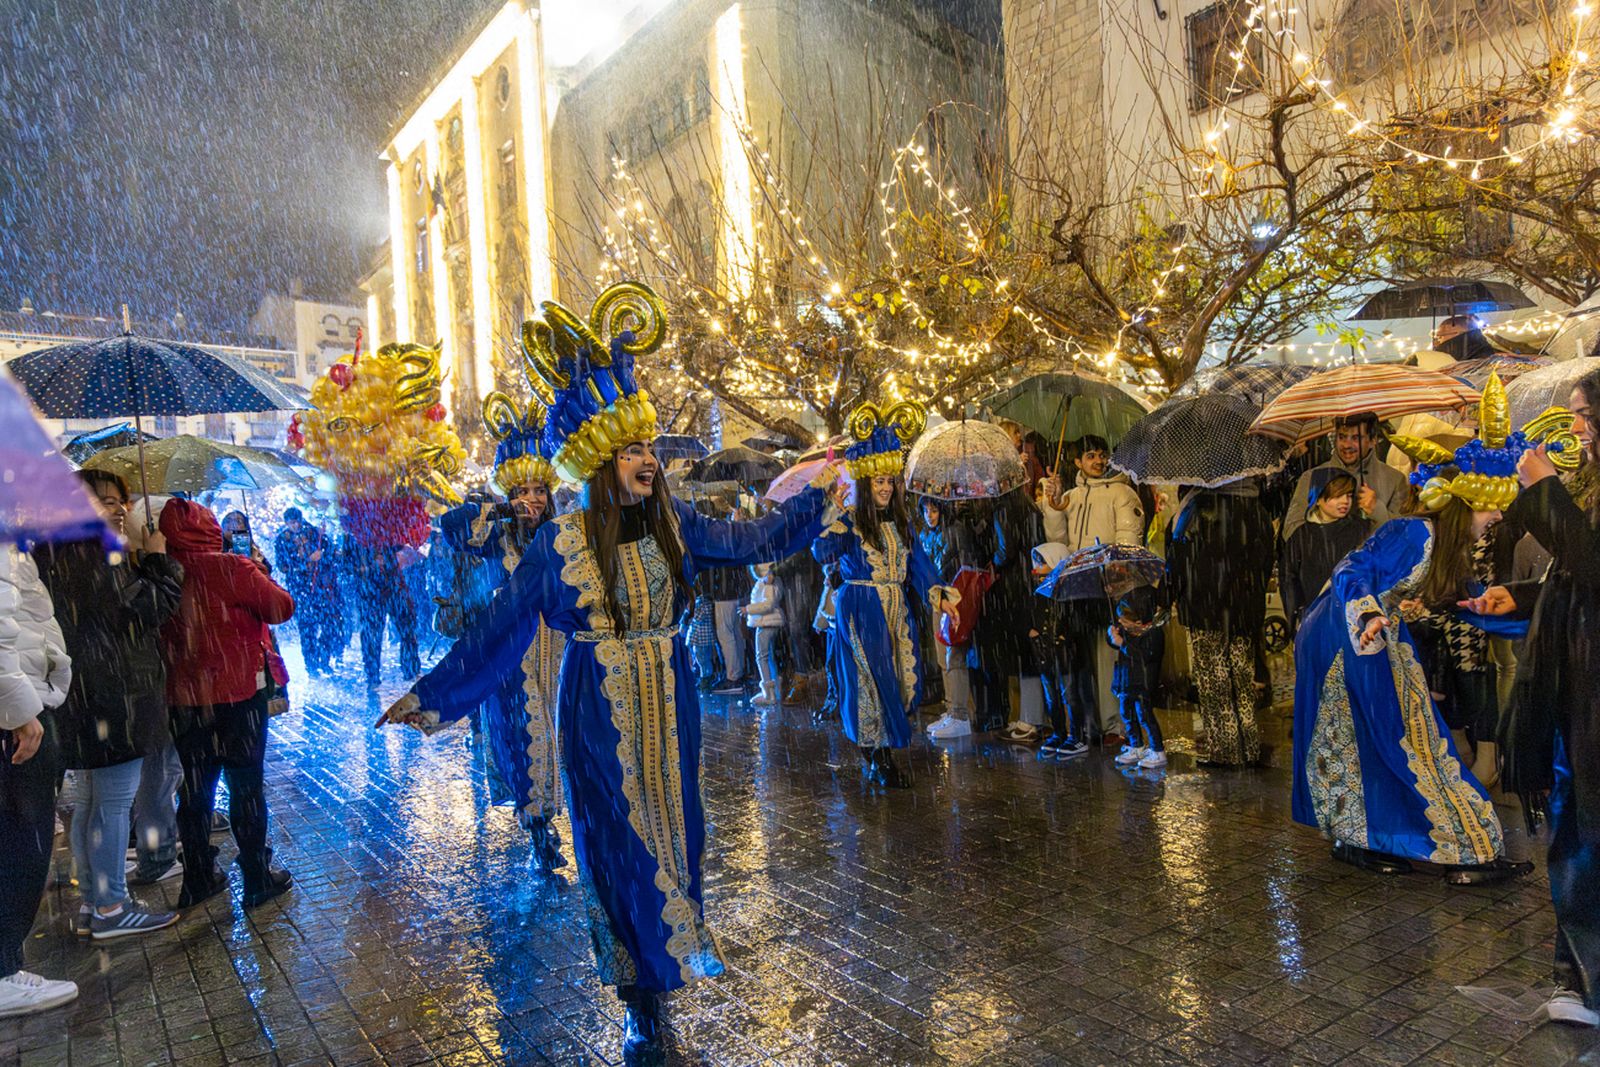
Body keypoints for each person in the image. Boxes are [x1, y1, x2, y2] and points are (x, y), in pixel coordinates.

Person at [381, 283, 839, 1058]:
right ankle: (639, 999)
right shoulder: (558, 545)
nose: (648, 463)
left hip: (671, 700)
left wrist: (815, 503)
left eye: (649, 450)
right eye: (632, 451)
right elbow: (498, 629)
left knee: (675, 840)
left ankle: (662, 981)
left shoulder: (675, 526)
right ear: (598, 461)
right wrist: (432, 694)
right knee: (618, 847)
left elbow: (755, 539)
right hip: (595, 708)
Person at [1291, 374, 1533, 886]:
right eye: (1489, 507)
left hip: (1375, 635)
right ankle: (1387, 841)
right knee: (1380, 739)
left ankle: (1449, 844)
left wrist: (1500, 608)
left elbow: (1465, 601)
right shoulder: (1413, 532)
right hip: (1344, 634)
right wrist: (1371, 615)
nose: (1495, 517)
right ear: (1467, 505)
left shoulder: (1447, 547)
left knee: (1401, 737)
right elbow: (1350, 573)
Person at [1466, 369, 1600, 1026]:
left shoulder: (1576, 494)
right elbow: (1575, 577)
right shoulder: (1590, 490)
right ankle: (1577, 977)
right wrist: (1515, 596)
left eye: (1583, 415)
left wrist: (1545, 491)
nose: (1575, 428)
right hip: (1581, 695)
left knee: (1590, 837)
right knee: (1576, 834)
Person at [33, 471, 183, 938]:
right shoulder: (98, 549)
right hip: (116, 694)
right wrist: (158, 562)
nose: (116, 509)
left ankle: (93, 902)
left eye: (119, 500)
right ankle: (111, 908)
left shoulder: (52, 548)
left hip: (83, 692)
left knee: (94, 803)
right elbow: (147, 609)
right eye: (101, 501)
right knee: (113, 804)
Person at [431, 393, 569, 870]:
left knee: (559, 739)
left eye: (539, 490)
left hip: (559, 659)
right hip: (511, 663)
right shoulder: (495, 535)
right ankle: (539, 827)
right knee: (523, 740)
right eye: (522, 490)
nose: (533, 499)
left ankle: (551, 817)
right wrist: (504, 514)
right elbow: (450, 526)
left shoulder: (560, 535)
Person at [159, 497, 296, 910]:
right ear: (212, 531)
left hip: (185, 701)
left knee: (195, 794)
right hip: (238, 696)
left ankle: (198, 876)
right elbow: (281, 607)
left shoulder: (159, 572)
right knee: (246, 787)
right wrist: (254, 569)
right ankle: (256, 877)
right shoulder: (232, 567)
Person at [815, 400, 959, 787]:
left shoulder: (902, 523)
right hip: (860, 609)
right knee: (870, 679)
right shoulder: (849, 522)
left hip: (895, 609)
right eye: (877, 481)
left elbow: (921, 566)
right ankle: (877, 756)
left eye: (889, 481)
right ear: (865, 483)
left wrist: (942, 596)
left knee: (894, 679)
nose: (884, 487)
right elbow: (821, 552)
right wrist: (831, 513)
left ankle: (882, 753)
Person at [0, 541, 76, 1016]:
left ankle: (6, 963)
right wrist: (20, 710)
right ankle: (3, 971)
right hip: (17, 713)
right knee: (21, 846)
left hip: (22, 700)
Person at [1039, 435, 1145, 742]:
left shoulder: (1121, 493)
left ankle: (1116, 725)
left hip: (1110, 585)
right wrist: (1055, 504)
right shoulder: (1072, 495)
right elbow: (1059, 538)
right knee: (1081, 659)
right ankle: (1089, 724)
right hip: (1078, 584)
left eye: (1101, 455)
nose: (1098, 461)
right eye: (1090, 456)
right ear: (1077, 462)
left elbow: (1129, 537)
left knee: (1108, 655)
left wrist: (1118, 571)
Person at [1165, 483, 1274, 765]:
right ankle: (1247, 746)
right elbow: (1265, 560)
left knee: (1213, 682)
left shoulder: (1195, 510)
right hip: (1243, 610)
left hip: (1205, 609)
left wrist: (1167, 597)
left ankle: (1224, 750)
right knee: (1241, 679)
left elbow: (1178, 562)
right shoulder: (1255, 507)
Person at [1280, 414, 1410, 541]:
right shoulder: (1311, 477)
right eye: (1342, 437)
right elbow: (1291, 530)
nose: (1347, 445)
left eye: (1355, 438)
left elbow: (1404, 536)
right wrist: (1325, 523)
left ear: (1373, 440)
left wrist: (1376, 510)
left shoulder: (1395, 480)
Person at [1278, 470, 1375, 634]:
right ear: (1317, 499)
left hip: (1354, 618)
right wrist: (1297, 615)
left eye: (1349, 495)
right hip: (1314, 618)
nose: (1345, 501)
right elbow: (1289, 579)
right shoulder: (1301, 535)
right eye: (1337, 496)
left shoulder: (1361, 529)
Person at [920, 498, 977, 741]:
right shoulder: (926, 535)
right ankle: (952, 707)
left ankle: (961, 713)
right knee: (943, 657)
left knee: (955, 657)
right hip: (937, 600)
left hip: (954, 598)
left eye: (933, 510)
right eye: (925, 511)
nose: (929, 515)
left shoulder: (956, 531)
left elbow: (964, 566)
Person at [1029, 543, 1087, 759]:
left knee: (1069, 694)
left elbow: (1076, 623)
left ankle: (1077, 735)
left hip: (1065, 653)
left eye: (1042, 562)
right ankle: (1059, 732)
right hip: (1045, 653)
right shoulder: (1039, 592)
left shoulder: (1068, 593)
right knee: (1052, 695)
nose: (1037, 568)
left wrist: (1063, 636)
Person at [273, 507, 341, 676]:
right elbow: (284, 567)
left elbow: (331, 555)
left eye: (296, 522)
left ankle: (324, 660)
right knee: (307, 629)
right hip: (300, 590)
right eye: (291, 523)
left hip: (321, 589)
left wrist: (323, 556)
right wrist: (306, 561)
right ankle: (311, 665)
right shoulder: (282, 540)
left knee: (328, 625)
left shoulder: (315, 534)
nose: (294, 526)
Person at [1108, 586, 1168, 769]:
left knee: (1145, 716)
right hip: (1126, 682)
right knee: (1128, 715)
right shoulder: (1128, 630)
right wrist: (1113, 635)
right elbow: (1115, 643)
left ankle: (1158, 750)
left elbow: (1143, 656)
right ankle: (1136, 745)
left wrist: (1123, 643)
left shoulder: (1153, 634)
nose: (1121, 622)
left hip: (1142, 684)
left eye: (1125, 619)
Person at [743, 563, 783, 706]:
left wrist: (748, 609)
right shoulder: (773, 583)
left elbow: (767, 605)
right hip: (769, 622)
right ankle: (775, 690)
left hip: (765, 622)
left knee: (762, 657)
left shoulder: (768, 586)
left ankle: (769, 694)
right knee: (768, 656)